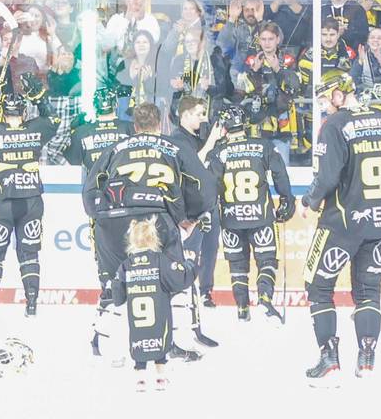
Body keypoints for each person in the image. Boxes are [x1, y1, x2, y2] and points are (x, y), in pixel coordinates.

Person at [88, 100, 208, 362]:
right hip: (157, 220)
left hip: (112, 221)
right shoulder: (174, 147)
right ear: (160, 124)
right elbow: (203, 185)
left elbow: (90, 190)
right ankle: (171, 343)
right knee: (170, 282)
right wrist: (192, 217)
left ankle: (101, 342)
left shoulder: (114, 148)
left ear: (135, 125)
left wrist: (98, 216)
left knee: (113, 284)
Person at [299, 71, 381, 384]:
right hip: (380, 221)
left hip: (340, 222)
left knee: (318, 286)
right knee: (369, 291)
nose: (323, 106)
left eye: (325, 98)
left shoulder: (335, 125)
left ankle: (329, 358)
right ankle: (367, 360)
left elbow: (326, 177)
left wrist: (308, 201)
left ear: (340, 93)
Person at [208, 104, 293, 321]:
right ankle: (265, 296)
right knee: (266, 260)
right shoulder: (262, 146)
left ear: (225, 127)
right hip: (260, 216)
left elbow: (211, 185)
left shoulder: (217, 152)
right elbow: (280, 174)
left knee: (238, 265)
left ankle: (242, 308)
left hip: (231, 218)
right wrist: (286, 200)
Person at [0, 93, 51, 314]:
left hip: (1, 203)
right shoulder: (34, 129)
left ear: (3, 112)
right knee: (29, 253)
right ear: (24, 113)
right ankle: (32, 302)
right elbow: (53, 119)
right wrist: (39, 96)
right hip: (31, 201)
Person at [115, 214, 193, 390]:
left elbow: (118, 298)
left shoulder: (125, 265)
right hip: (159, 317)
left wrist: (114, 283)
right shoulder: (159, 260)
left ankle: (140, 378)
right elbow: (177, 281)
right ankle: (160, 378)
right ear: (153, 238)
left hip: (137, 324)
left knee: (139, 345)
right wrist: (190, 266)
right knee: (161, 341)